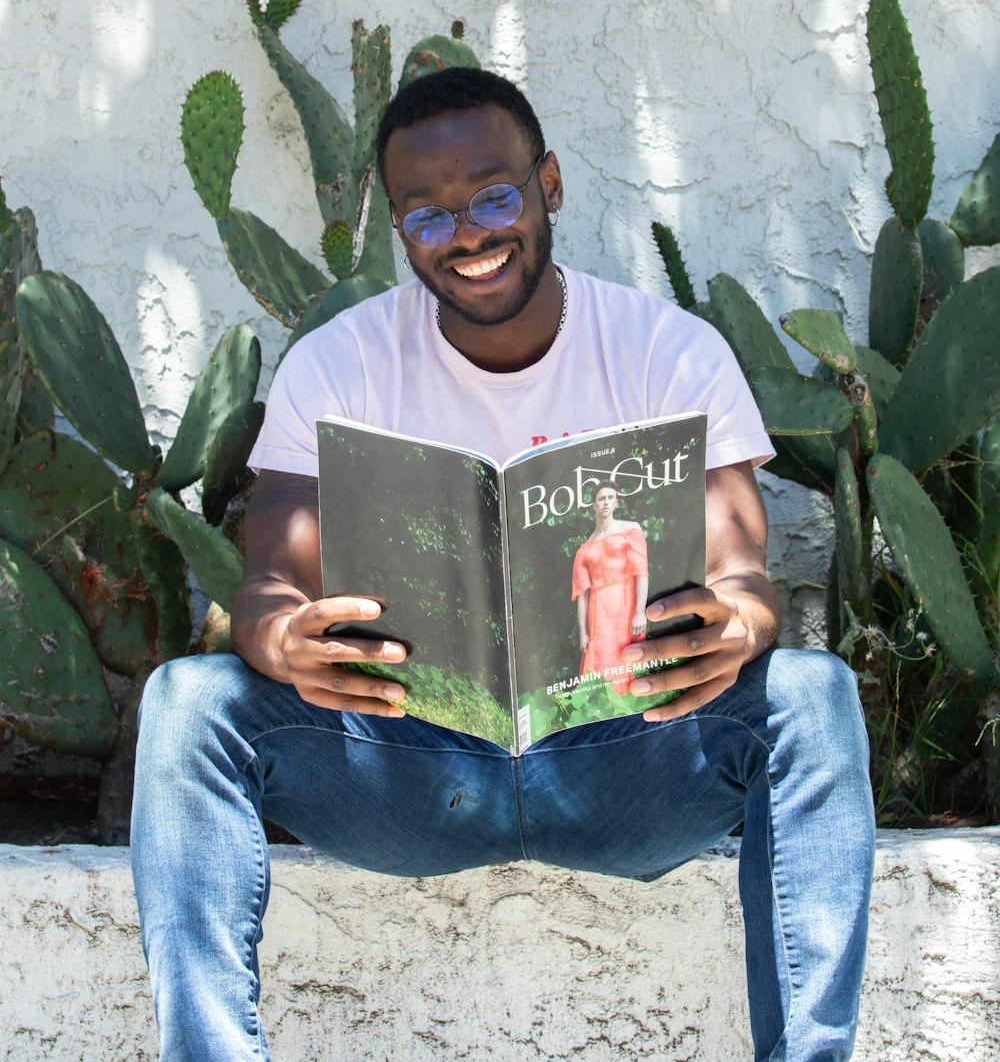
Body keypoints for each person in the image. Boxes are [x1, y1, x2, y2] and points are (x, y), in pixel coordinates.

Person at [131, 67, 875, 1062]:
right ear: (400, 232)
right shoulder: (339, 362)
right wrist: (281, 637)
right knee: (188, 702)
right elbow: (269, 578)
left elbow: (742, 566)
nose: (469, 236)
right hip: (405, 764)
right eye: (427, 218)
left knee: (814, 693)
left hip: (623, 757)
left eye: (493, 196)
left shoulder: (665, 351)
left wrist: (738, 620)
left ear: (550, 185)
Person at [572, 482, 648, 693]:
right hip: (599, 611)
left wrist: (640, 612)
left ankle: (630, 704)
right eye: (601, 498)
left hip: (626, 603)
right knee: (600, 655)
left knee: (627, 655)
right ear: (593, 505)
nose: (606, 502)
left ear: (616, 502)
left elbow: (641, 572)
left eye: (610, 497)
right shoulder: (584, 549)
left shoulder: (630, 530)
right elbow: (582, 594)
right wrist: (583, 633)